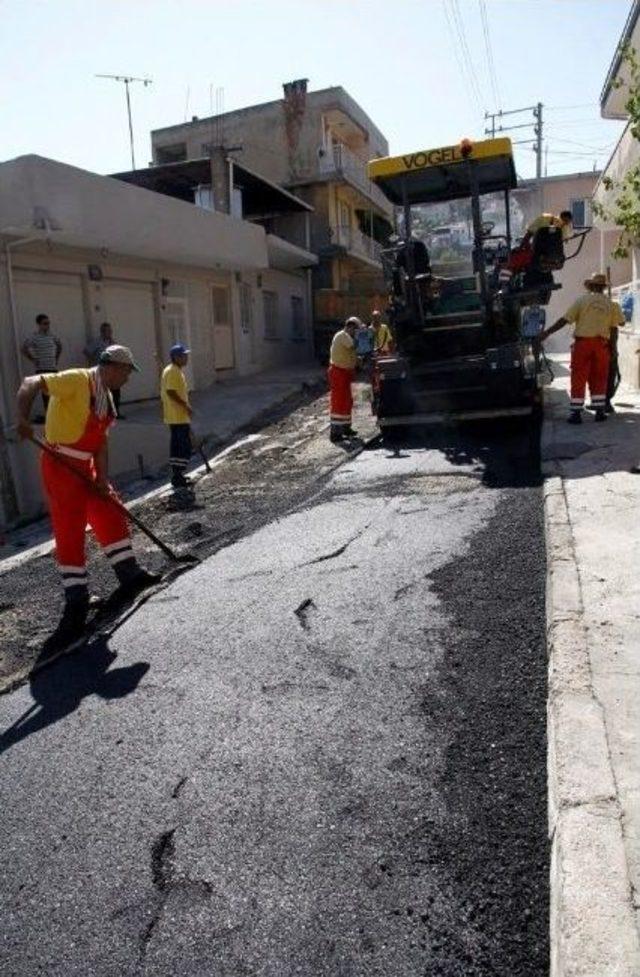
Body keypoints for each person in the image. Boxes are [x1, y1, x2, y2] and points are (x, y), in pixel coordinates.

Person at [15, 345, 160, 646]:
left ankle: (128, 571)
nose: (128, 379)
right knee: (70, 526)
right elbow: (30, 383)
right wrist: (23, 419)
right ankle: (76, 597)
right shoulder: (76, 380)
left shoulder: (106, 397)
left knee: (110, 509)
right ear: (111, 367)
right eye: (127, 372)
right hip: (60, 464)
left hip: (86, 464)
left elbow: (101, 444)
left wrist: (102, 479)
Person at [538, 273, 622, 424]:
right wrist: (613, 350)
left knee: (578, 377)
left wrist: (547, 332)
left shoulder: (581, 301)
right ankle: (599, 412)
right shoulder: (612, 304)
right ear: (603, 288)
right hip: (602, 345)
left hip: (582, 344)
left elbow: (564, 320)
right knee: (600, 377)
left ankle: (576, 414)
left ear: (591, 286)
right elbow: (615, 329)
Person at [161, 343, 193, 488]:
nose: (186, 358)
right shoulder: (173, 371)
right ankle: (178, 475)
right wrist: (185, 405)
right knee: (182, 446)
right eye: (183, 355)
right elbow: (171, 391)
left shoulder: (173, 370)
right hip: (177, 416)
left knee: (178, 446)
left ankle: (178, 475)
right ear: (176, 357)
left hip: (175, 416)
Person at [21, 313, 62, 421]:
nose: (47, 326)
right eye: (45, 323)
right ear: (39, 324)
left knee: (55, 393)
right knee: (46, 395)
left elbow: (59, 345)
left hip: (52, 368)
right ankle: (50, 418)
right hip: (42, 370)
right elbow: (24, 348)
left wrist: (56, 358)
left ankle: (57, 416)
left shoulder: (52, 336)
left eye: (48, 323)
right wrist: (33, 359)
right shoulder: (34, 337)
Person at [328, 317, 360, 443]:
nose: (356, 332)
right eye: (356, 330)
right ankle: (335, 433)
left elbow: (353, 354)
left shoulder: (347, 337)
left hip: (345, 373)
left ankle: (346, 428)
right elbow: (354, 346)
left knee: (347, 401)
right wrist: (362, 337)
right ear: (350, 327)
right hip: (338, 372)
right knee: (338, 402)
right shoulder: (343, 335)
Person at [84, 322, 124, 418]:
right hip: (102, 372)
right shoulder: (97, 342)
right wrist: (93, 361)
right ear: (102, 332)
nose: (110, 333)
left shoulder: (113, 343)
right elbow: (86, 351)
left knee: (116, 392)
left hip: (113, 372)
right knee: (101, 393)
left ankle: (115, 412)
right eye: (108, 331)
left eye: (111, 331)